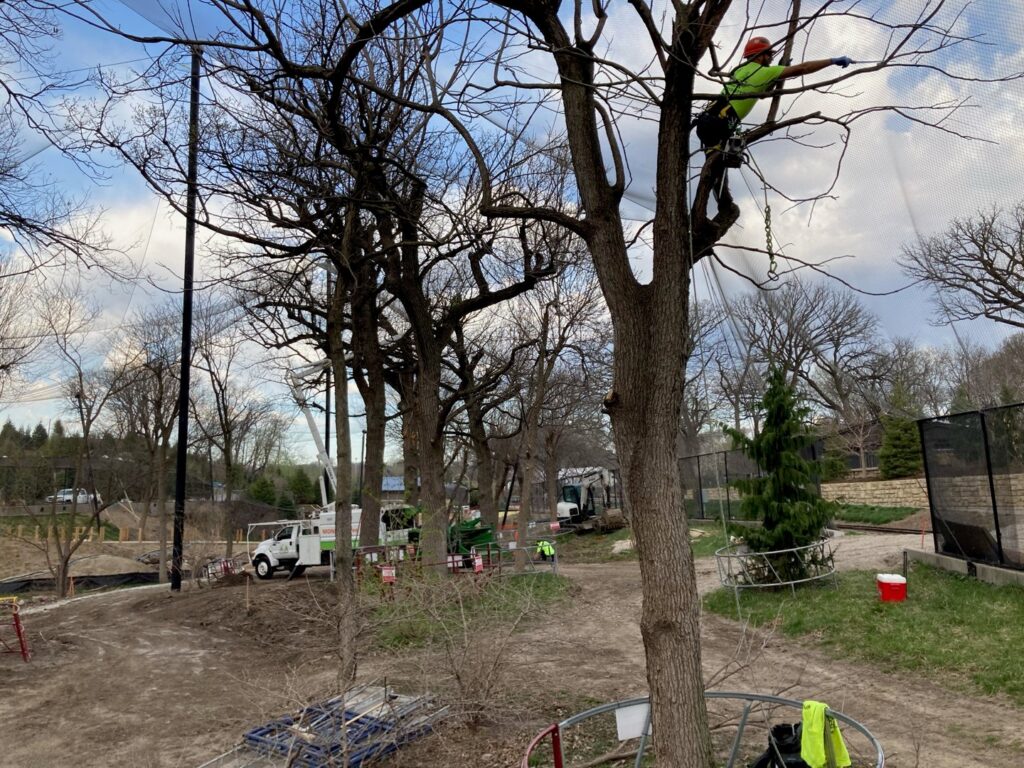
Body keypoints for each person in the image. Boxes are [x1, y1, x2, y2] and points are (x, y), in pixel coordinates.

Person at [696, 36, 854, 153]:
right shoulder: (766, 71)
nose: (771, 58)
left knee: (718, 165)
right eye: (769, 55)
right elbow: (804, 68)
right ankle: (721, 190)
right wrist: (833, 61)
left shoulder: (739, 70)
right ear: (760, 55)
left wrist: (778, 75)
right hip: (722, 122)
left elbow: (763, 93)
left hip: (708, 119)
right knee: (727, 158)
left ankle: (722, 194)